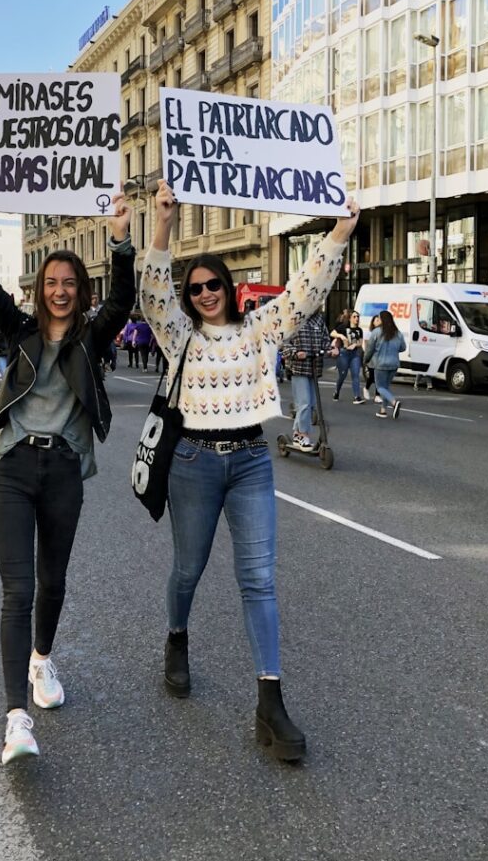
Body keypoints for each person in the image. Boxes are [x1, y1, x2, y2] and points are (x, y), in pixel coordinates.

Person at [140, 179, 359, 762]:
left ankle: (270, 701)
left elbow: (305, 292)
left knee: (259, 580)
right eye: (195, 288)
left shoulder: (259, 330)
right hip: (192, 462)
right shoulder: (179, 336)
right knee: (187, 569)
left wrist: (340, 230)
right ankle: (177, 637)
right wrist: (163, 224)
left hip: (251, 463)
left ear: (228, 288)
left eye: (213, 285)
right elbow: (153, 295)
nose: (205, 294)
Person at [0, 182, 135, 766]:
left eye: (69, 283)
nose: (59, 291)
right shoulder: (20, 331)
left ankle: (42, 659)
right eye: (51, 283)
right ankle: (16, 717)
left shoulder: (92, 338)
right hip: (13, 468)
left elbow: (122, 299)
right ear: (39, 290)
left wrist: (121, 240)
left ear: (80, 291)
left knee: (53, 580)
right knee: (17, 590)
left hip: (63, 469)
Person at [282, 309, 335, 451]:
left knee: (310, 404)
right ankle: (303, 435)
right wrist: (295, 353)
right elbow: (284, 343)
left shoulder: (319, 320)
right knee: (304, 403)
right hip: (298, 367)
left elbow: (325, 340)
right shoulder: (294, 318)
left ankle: (297, 433)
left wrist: (331, 349)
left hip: (314, 367)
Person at [363, 310, 407, 419]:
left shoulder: (376, 332)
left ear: (382, 320)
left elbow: (370, 349)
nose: (378, 320)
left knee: (380, 387)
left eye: (379, 318)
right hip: (394, 364)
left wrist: (365, 360)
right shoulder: (398, 333)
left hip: (380, 363)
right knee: (386, 387)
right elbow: (403, 347)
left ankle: (394, 402)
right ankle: (383, 410)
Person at [331, 309, 365, 404]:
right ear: (350, 318)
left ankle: (357, 396)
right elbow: (332, 333)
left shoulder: (359, 330)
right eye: (354, 317)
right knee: (342, 375)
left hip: (355, 354)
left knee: (355, 374)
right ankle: (337, 391)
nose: (356, 319)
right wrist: (341, 336)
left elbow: (360, 342)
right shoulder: (343, 327)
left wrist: (355, 345)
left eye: (358, 317)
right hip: (344, 353)